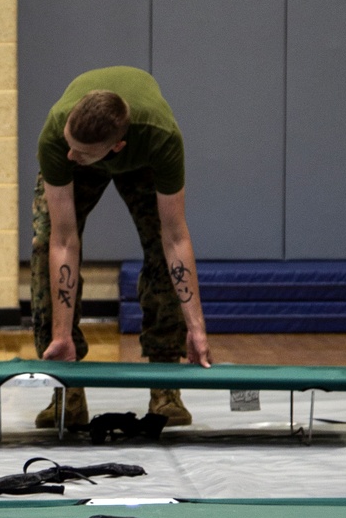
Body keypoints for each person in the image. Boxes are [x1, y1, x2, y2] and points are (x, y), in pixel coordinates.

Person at [30, 67, 211, 433]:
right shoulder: (58, 140)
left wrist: (197, 328)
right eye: (69, 143)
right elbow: (64, 241)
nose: (70, 153)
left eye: (79, 151)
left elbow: (176, 237)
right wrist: (62, 335)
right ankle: (67, 386)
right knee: (43, 249)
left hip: (141, 161)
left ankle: (165, 386)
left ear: (117, 149)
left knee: (162, 255)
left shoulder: (160, 137)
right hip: (84, 157)